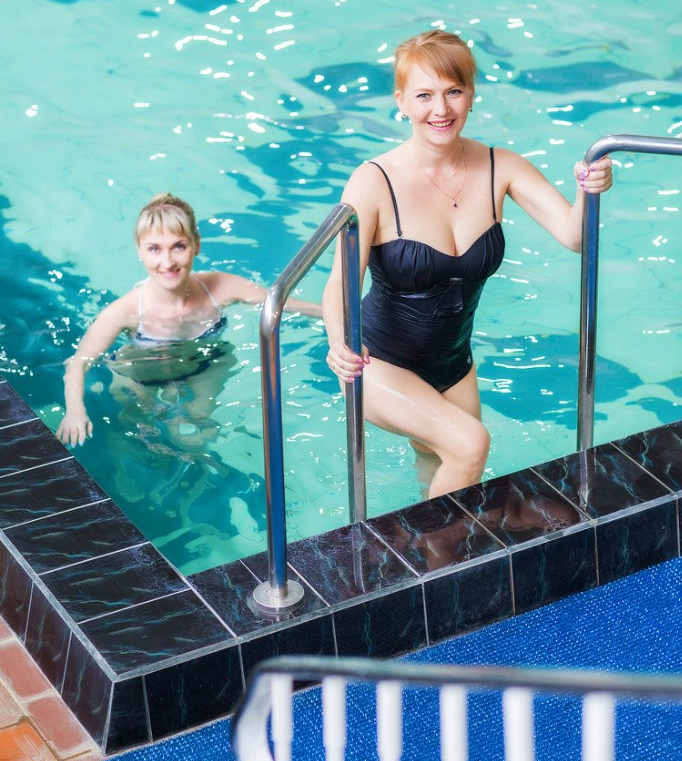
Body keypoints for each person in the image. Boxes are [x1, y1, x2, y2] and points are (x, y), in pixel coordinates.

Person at [322, 29, 613, 498]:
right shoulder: (373, 181)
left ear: (472, 95)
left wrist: (589, 190)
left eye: (453, 92)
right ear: (401, 102)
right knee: (470, 444)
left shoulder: (501, 166)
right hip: (379, 364)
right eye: (424, 95)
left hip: (454, 364)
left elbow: (574, 236)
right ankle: (436, 547)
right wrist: (339, 343)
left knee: (439, 465)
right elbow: (340, 284)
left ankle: (423, 537)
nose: (440, 109)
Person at [57, 192, 321, 446]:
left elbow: (291, 306)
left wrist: (337, 319)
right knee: (137, 433)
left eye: (179, 247)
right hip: (141, 375)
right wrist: (75, 412)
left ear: (197, 245)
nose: (167, 262)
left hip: (204, 364)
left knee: (199, 434)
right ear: (140, 251)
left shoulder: (222, 287)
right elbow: (77, 364)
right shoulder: (124, 311)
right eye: (154, 249)